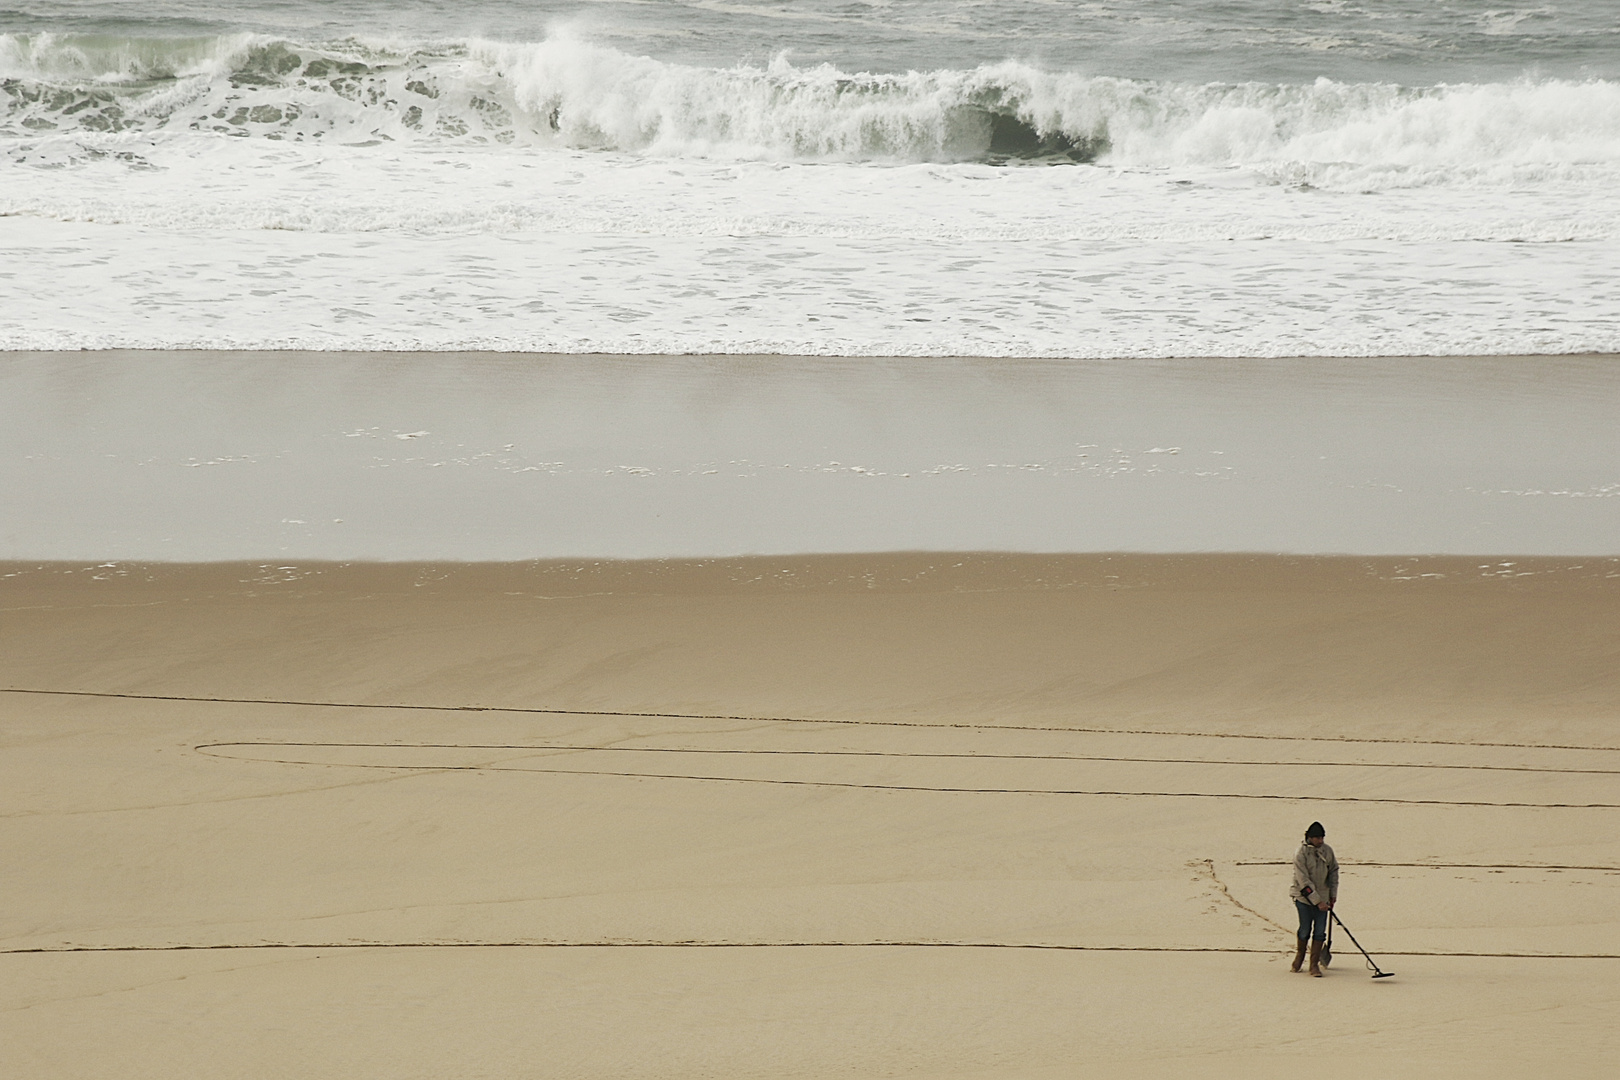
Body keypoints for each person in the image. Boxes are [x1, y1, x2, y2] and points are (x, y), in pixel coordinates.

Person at [1289, 821, 1338, 976]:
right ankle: (1299, 957)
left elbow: (1334, 872)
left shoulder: (1327, 851)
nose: (1320, 841)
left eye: (1322, 837)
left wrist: (1332, 895)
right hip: (1303, 899)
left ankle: (1314, 965)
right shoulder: (1300, 853)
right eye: (1317, 838)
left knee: (1320, 932)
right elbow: (1304, 882)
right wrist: (1318, 901)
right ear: (1309, 838)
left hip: (1324, 898)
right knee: (1305, 930)